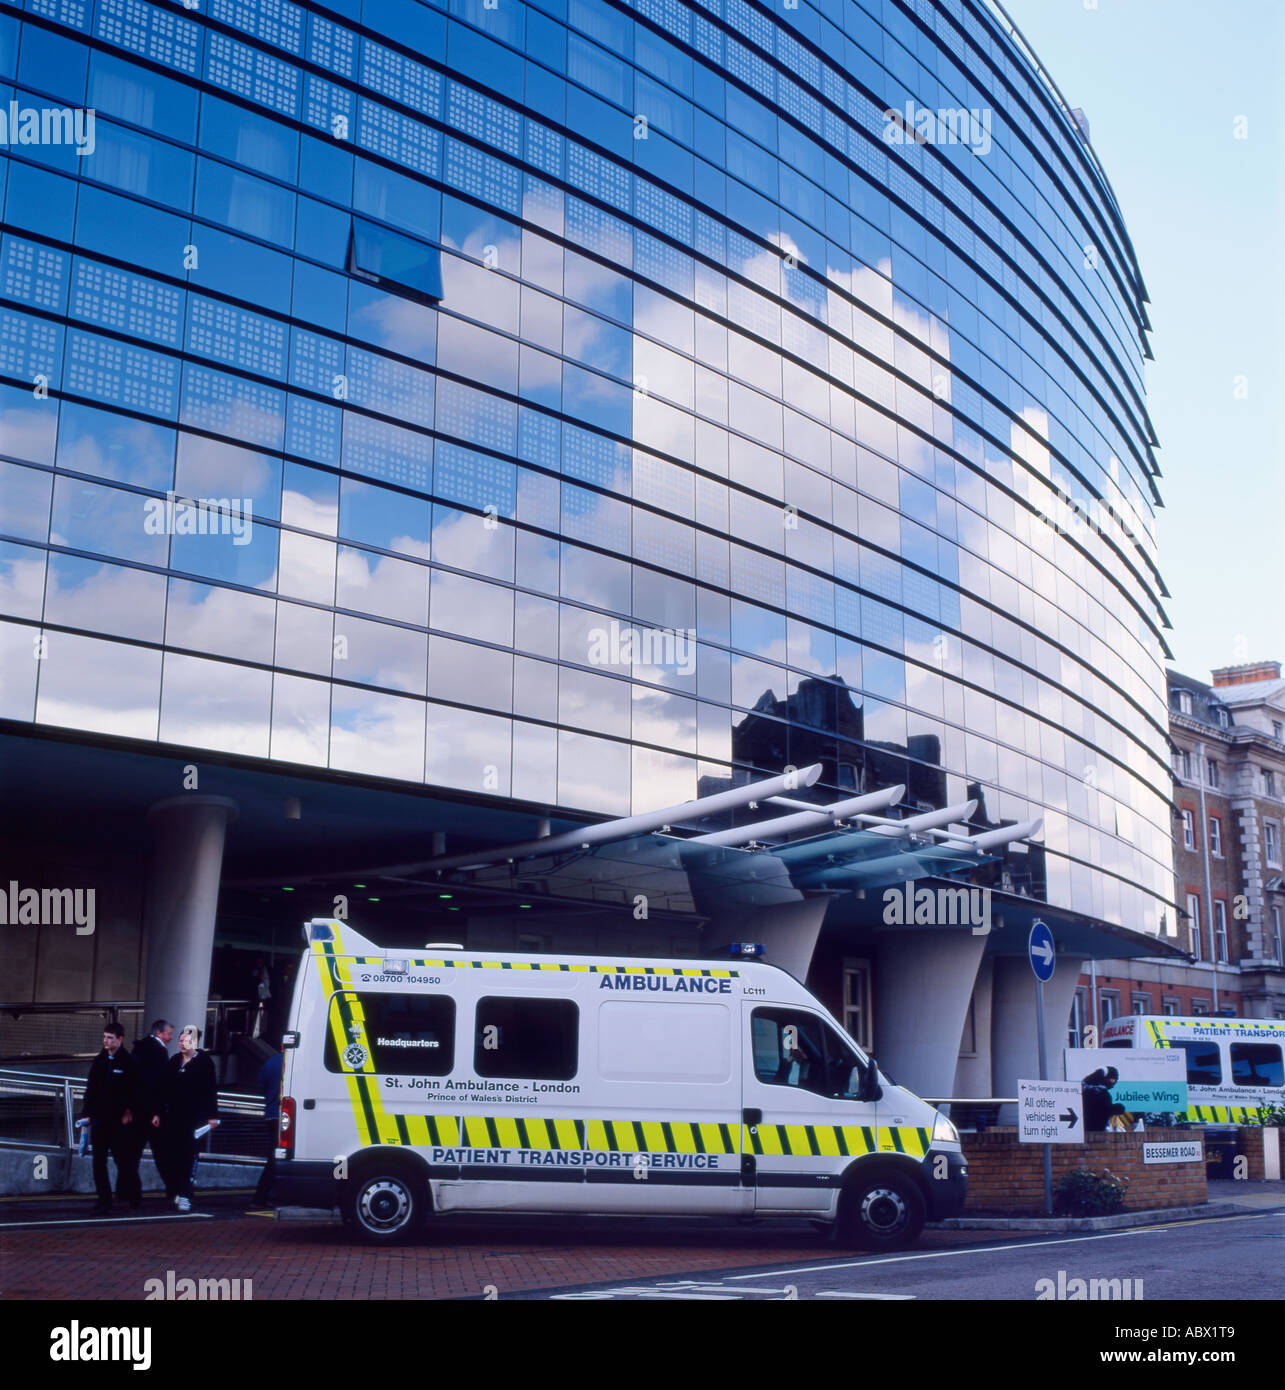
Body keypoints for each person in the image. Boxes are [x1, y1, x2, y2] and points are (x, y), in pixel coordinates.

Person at [81, 1023, 141, 1215]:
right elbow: (91, 1090)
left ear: (120, 1039)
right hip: (100, 1120)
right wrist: (87, 1114)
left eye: (110, 1038)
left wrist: (129, 1111)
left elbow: (136, 1091)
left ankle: (134, 1194)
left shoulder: (129, 1062)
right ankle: (104, 1200)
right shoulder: (99, 1061)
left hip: (119, 1123)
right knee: (98, 1162)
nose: (106, 1041)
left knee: (123, 1162)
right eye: (105, 1037)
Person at [159, 1025, 220, 1212]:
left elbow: (211, 1090)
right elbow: (164, 1088)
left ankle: (185, 1195)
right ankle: (176, 1190)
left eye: (186, 1041)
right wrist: (158, 1111)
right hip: (173, 1117)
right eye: (180, 1041)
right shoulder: (175, 1060)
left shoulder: (204, 1062)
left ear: (195, 1042)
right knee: (170, 1156)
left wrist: (212, 1116)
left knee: (187, 1156)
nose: (182, 1045)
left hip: (194, 1118)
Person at [132, 1019, 172, 1196]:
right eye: (168, 1033)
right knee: (162, 1152)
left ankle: (130, 1192)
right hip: (153, 1112)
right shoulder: (160, 1051)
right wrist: (157, 1110)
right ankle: (173, 1191)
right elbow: (160, 1084)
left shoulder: (138, 1048)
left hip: (136, 1109)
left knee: (132, 1153)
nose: (170, 1037)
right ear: (159, 1033)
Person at [252, 1050, 283, 1206]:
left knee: (274, 1156)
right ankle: (261, 1197)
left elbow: (260, 1087)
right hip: (285, 1117)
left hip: (271, 1114)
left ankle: (266, 1196)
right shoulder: (295, 1062)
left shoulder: (270, 1063)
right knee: (277, 1158)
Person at [1082, 1066, 1123, 1131]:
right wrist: (1114, 1109)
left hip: (1084, 1131)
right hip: (1093, 1132)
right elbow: (1100, 1112)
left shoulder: (1083, 1089)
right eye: (1112, 1080)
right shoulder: (1100, 1094)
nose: (1113, 1084)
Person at [250, 958, 271, 1039]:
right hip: (258, 998)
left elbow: (266, 984)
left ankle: (262, 1033)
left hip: (264, 997)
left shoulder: (265, 971)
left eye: (261, 962)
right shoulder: (255, 972)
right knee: (257, 1016)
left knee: (263, 1016)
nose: (260, 964)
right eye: (258, 962)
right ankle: (255, 1033)